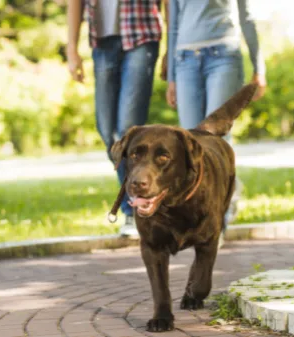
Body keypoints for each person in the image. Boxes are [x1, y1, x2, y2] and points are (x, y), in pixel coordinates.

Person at [165, 0, 267, 246]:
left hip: (223, 56)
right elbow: (173, 25)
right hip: (185, 60)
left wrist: (259, 66)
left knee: (214, 139)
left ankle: (216, 222)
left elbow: (247, 16)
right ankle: (214, 203)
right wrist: (171, 78)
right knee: (189, 145)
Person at [66, 0, 166, 237]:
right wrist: (71, 47)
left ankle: (134, 209)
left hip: (141, 34)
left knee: (127, 129)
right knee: (108, 131)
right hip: (102, 41)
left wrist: (171, 50)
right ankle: (147, 199)